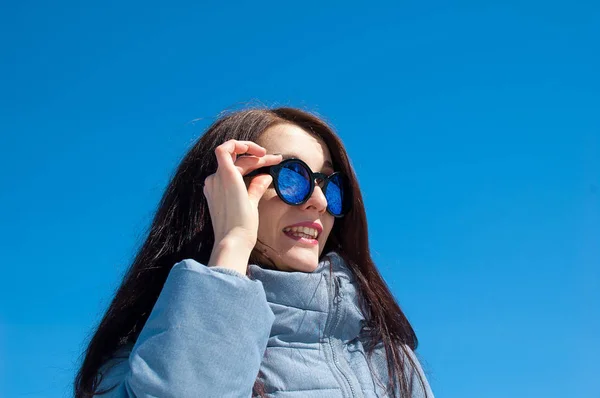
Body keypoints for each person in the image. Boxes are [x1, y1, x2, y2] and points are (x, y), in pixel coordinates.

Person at [74, 107, 435, 398]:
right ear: (220, 192)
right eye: (291, 178)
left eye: (329, 184)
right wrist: (231, 242)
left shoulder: (389, 359)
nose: (320, 202)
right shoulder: (136, 366)